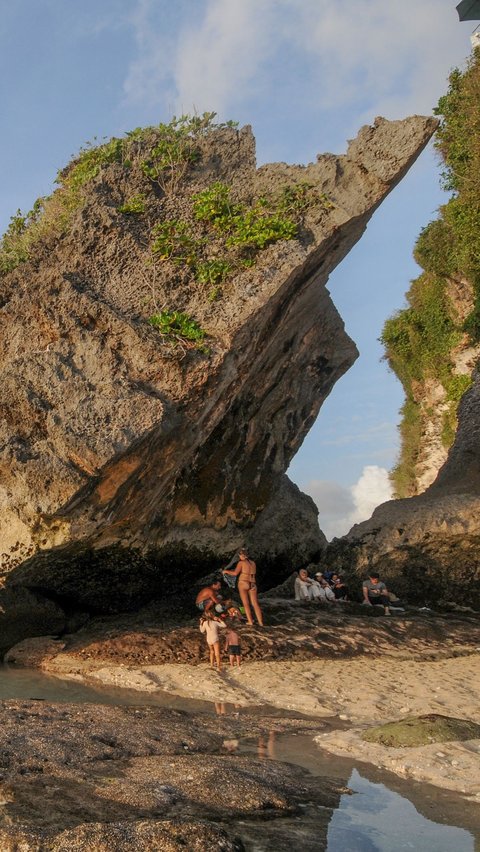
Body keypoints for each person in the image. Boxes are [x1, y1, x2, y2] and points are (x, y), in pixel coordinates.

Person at [223, 549, 263, 626]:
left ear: (242, 555)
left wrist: (226, 571)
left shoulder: (241, 563)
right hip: (253, 584)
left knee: (246, 604)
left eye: (239, 555)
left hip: (243, 582)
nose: (239, 557)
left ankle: (250, 622)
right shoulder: (253, 563)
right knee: (255, 604)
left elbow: (235, 573)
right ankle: (261, 622)